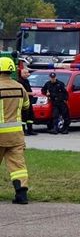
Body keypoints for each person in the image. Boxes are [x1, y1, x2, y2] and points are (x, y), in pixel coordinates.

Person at [0, 57, 31, 204]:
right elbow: (26, 106)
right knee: (18, 165)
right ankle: (21, 194)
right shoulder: (20, 87)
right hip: (16, 135)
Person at [18, 68, 38, 136]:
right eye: (25, 73)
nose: (27, 74)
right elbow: (22, 92)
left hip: (29, 100)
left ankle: (30, 130)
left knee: (30, 116)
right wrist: (31, 94)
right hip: (24, 101)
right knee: (24, 116)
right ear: (21, 73)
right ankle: (23, 131)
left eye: (27, 73)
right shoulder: (20, 81)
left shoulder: (26, 81)